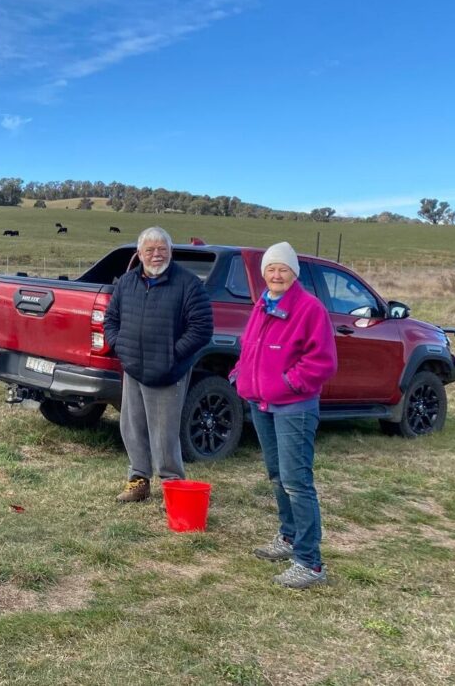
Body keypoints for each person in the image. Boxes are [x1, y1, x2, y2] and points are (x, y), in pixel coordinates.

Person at [230, 241, 337, 589]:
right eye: (271, 269)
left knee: (296, 480)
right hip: (261, 404)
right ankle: (288, 537)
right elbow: (250, 348)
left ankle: (310, 562)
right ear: (264, 275)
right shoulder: (262, 305)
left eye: (283, 269)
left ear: (294, 273)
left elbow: (322, 362)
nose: (277, 274)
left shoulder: (310, 308)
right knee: (277, 476)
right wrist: (239, 375)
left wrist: (289, 382)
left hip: (294, 407)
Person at [103, 226, 213, 503]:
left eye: (162, 250)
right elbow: (111, 320)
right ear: (139, 254)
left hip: (168, 373)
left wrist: (172, 355)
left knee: (164, 435)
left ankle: (172, 487)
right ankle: (138, 480)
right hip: (134, 369)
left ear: (170, 252)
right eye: (149, 250)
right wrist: (121, 348)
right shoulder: (127, 283)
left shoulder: (188, 284)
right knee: (131, 427)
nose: (156, 255)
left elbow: (202, 328)